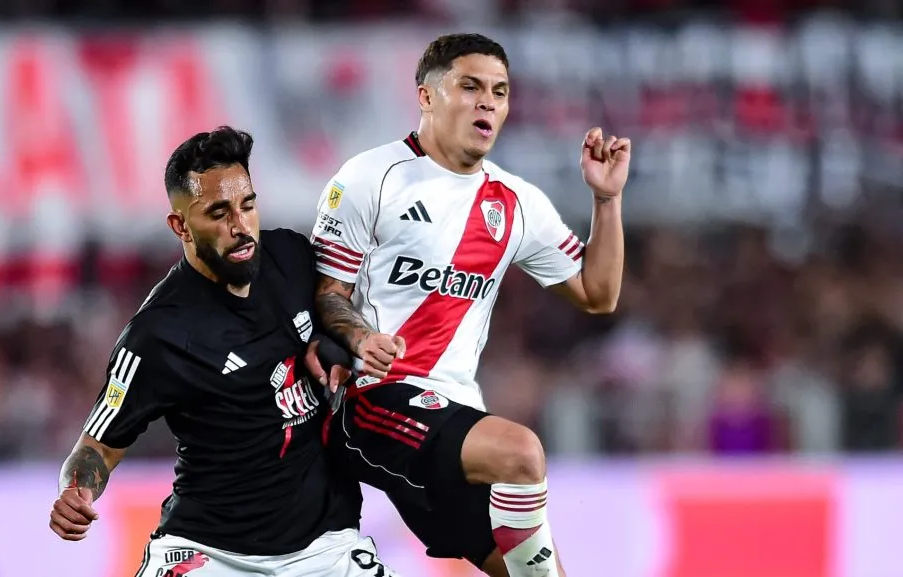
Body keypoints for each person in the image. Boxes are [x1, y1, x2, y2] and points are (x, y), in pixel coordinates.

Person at [310, 33, 629, 577]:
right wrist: (362, 338)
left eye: (500, 92)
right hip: (370, 400)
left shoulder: (516, 202)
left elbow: (598, 295)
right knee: (522, 453)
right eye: (471, 86)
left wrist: (606, 198)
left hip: (452, 417)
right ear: (427, 97)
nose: (488, 102)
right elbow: (325, 295)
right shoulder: (371, 178)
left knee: (529, 573)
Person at [48, 126, 398, 577]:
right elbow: (96, 448)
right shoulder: (158, 334)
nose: (240, 226)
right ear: (180, 226)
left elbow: (341, 314)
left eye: (247, 205)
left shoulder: (292, 258)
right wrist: (77, 491)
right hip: (208, 554)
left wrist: (337, 346)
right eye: (219, 213)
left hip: (325, 548)